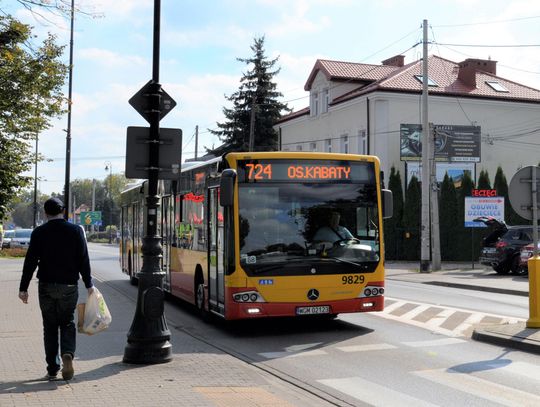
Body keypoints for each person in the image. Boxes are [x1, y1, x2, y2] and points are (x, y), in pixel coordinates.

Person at [18, 197, 94, 381]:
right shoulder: (76, 231)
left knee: (50, 326)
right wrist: (89, 284)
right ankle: (67, 353)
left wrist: (23, 288)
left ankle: (53, 368)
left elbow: (30, 262)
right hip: (69, 285)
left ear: (46, 213)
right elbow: (83, 259)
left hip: (46, 285)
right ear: (64, 211)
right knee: (67, 322)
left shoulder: (39, 232)